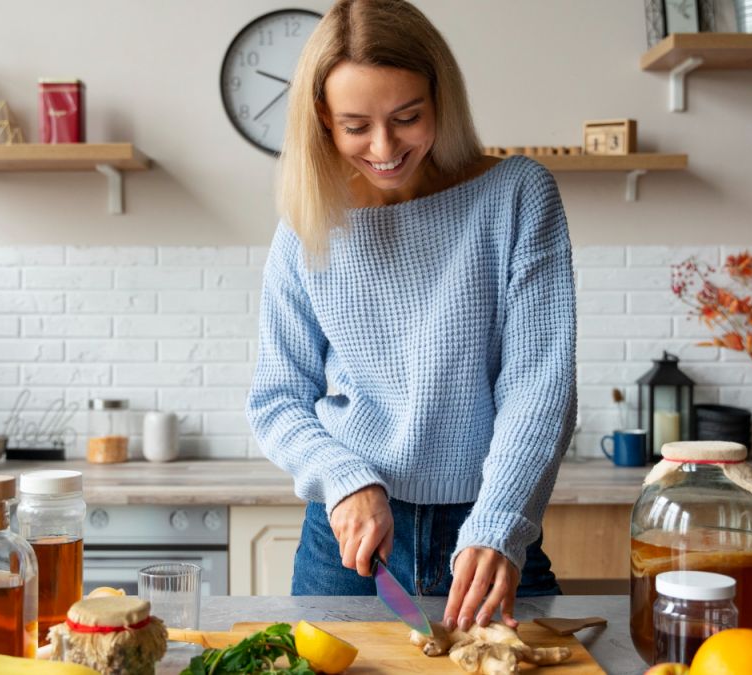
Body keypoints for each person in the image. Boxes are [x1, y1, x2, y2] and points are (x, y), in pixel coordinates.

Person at [246, 0, 575, 633]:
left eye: (407, 117)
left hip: (489, 531)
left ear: (440, 100)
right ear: (322, 119)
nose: (384, 147)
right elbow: (277, 401)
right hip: (349, 543)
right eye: (355, 126)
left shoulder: (516, 196)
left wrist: (501, 519)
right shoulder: (307, 225)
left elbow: (539, 385)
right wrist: (343, 477)